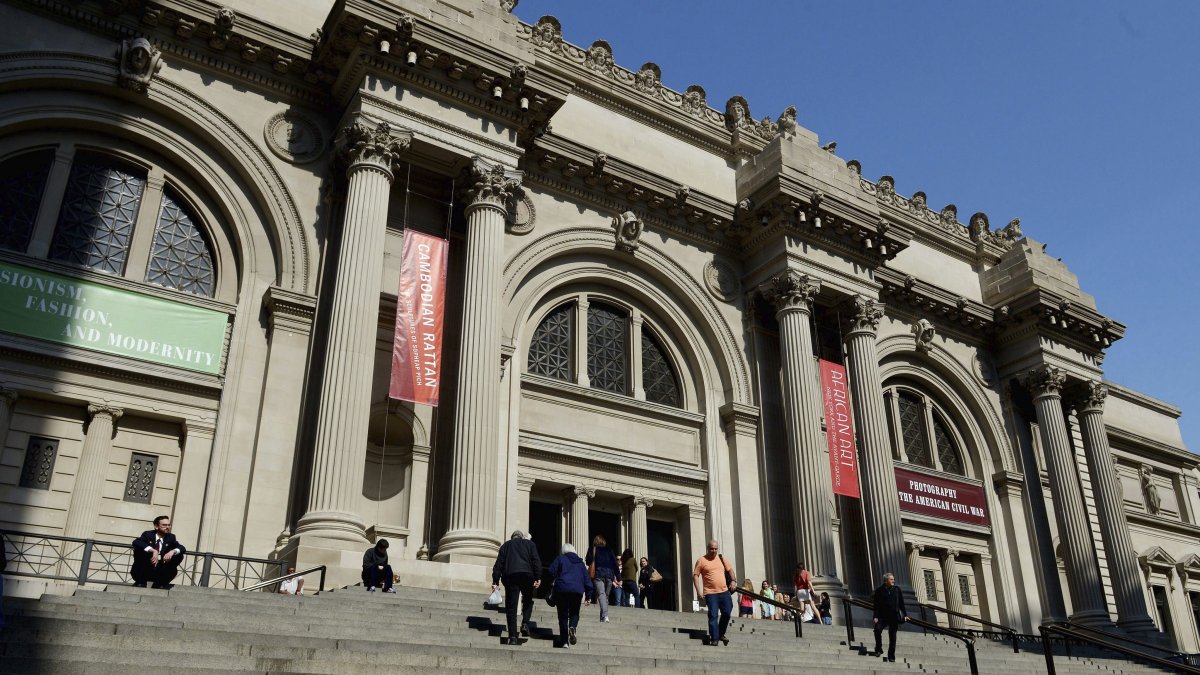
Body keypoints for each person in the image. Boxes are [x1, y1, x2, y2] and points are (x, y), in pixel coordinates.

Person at [491, 529, 542, 645]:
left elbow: (498, 564)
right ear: (521, 537)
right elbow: (536, 561)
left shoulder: (506, 546)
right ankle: (525, 623)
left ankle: (513, 637)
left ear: (512, 537)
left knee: (511, 608)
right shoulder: (529, 544)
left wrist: (495, 581)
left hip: (510, 577)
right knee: (528, 600)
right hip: (526, 576)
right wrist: (538, 577)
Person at [692, 539, 736, 646]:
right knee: (713, 615)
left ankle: (720, 633)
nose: (714, 551)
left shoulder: (721, 558)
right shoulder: (701, 560)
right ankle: (714, 638)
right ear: (708, 548)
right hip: (710, 593)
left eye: (716, 549)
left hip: (724, 591)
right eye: (712, 549)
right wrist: (698, 591)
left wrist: (734, 581)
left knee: (726, 613)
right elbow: (695, 576)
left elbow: (730, 569)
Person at [548, 543, 589, 649]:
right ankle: (572, 627)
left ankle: (565, 642)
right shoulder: (580, 563)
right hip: (577, 591)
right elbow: (587, 580)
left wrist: (555, 579)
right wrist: (588, 595)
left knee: (563, 616)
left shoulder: (561, 559)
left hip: (562, 589)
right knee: (575, 613)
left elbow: (551, 571)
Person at [130, 515, 186, 588]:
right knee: (141, 551)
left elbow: (182, 548)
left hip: (160, 571)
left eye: (169, 525)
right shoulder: (148, 534)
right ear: (156, 526)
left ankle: (160, 583)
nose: (167, 527)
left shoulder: (171, 537)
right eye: (164, 525)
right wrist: (153, 550)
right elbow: (136, 542)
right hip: (144, 569)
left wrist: (172, 551)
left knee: (179, 554)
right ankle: (141, 582)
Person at [872, 572, 909, 662]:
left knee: (892, 637)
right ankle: (878, 649)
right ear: (886, 581)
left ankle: (891, 656)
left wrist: (905, 615)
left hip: (894, 616)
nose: (893, 581)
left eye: (893, 579)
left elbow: (901, 604)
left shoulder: (897, 590)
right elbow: (876, 605)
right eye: (891, 579)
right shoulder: (879, 590)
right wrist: (875, 616)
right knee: (877, 630)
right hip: (882, 616)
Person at [584, 535, 618, 622]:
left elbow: (588, 561)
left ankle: (605, 616)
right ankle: (602, 617)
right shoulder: (609, 550)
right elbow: (615, 563)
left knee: (601, 595)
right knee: (605, 597)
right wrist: (619, 577)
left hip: (599, 574)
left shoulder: (593, 548)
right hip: (610, 575)